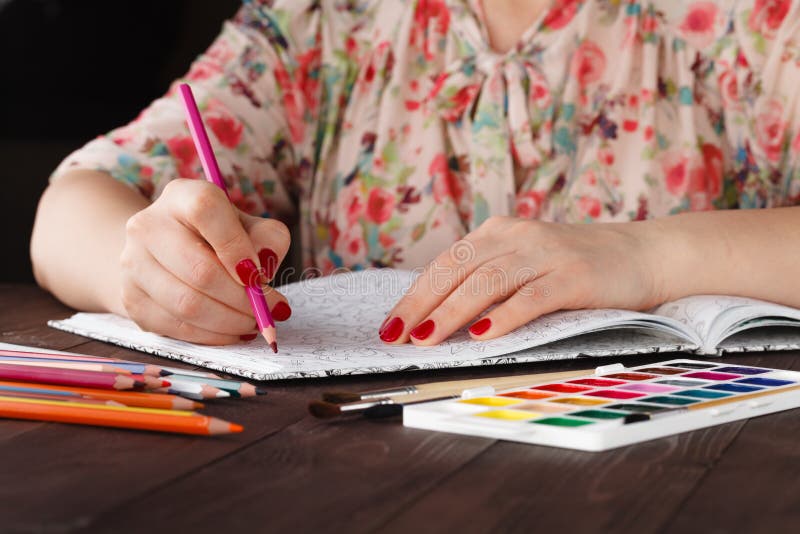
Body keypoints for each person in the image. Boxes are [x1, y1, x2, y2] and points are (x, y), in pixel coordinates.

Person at [30, 0, 800, 348]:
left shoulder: (747, 21)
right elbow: (70, 207)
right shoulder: (324, 22)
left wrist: (647, 256)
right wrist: (147, 270)